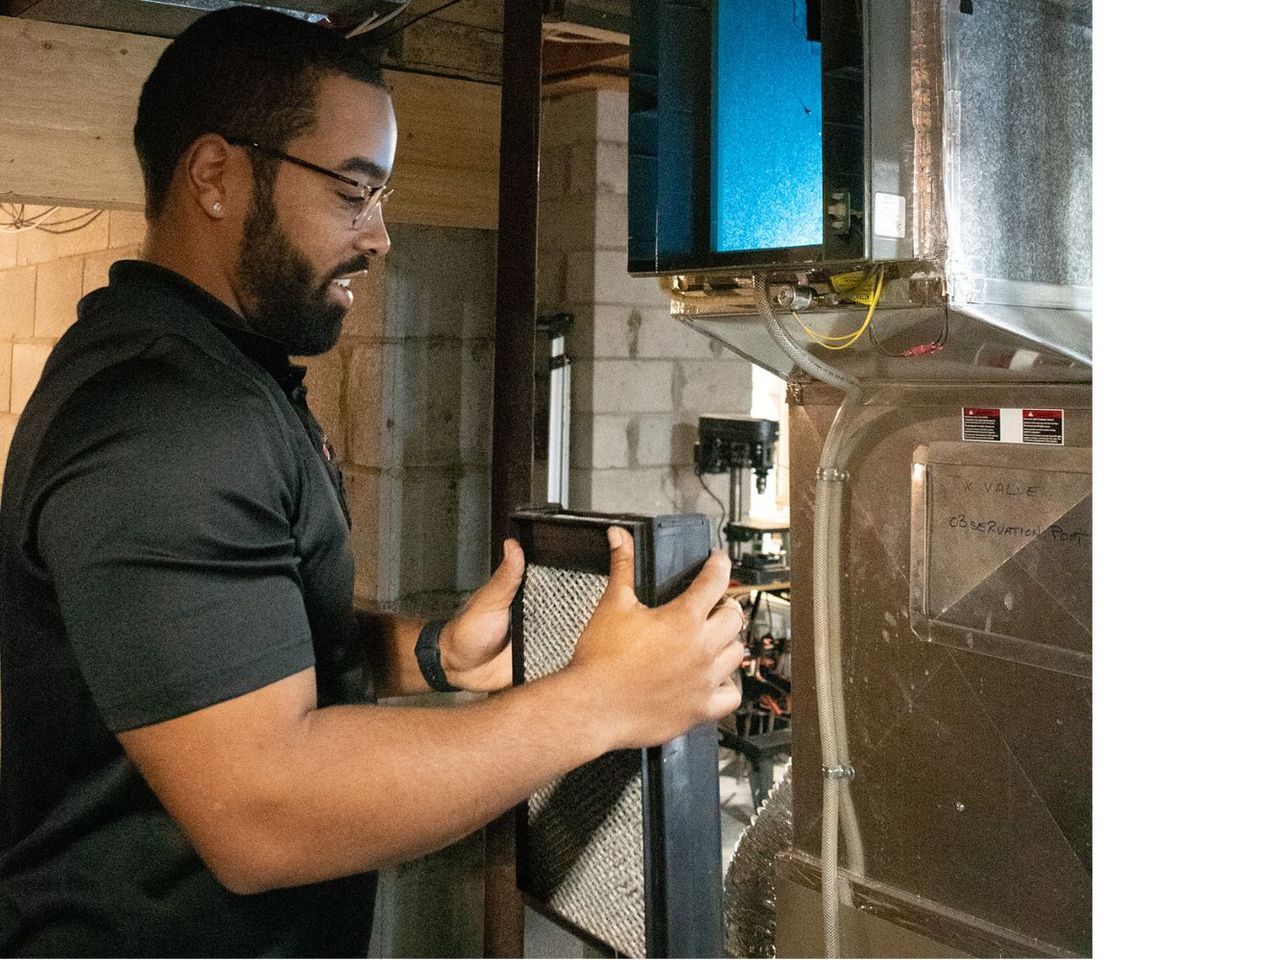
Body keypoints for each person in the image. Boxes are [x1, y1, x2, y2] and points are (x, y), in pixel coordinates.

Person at [0, 7, 744, 955]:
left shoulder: (207, 374)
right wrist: (600, 701)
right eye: (355, 193)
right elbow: (263, 810)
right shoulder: (172, 419)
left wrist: (428, 655)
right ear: (216, 176)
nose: (380, 236)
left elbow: (226, 643)